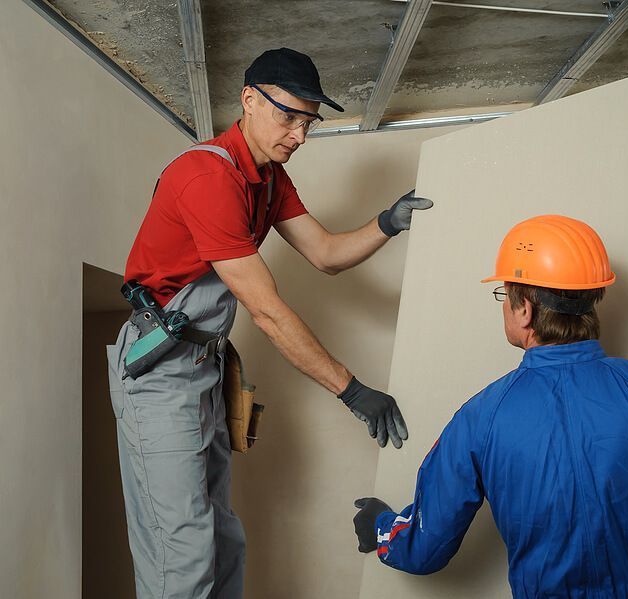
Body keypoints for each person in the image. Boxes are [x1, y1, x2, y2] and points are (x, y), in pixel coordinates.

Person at [106, 48, 428, 598]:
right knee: (179, 549)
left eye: (309, 122)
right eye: (288, 117)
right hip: (158, 371)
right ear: (249, 101)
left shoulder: (270, 179)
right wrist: (351, 391)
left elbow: (325, 253)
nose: (299, 135)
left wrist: (385, 223)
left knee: (223, 538)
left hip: (204, 368)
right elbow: (267, 309)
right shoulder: (206, 176)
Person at [352, 215, 628, 598]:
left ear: (525, 309)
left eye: (504, 296)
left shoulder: (480, 418)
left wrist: (380, 527)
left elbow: (423, 548)